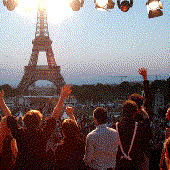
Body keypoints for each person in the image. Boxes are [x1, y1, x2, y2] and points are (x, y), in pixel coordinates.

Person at [0, 84, 72, 170]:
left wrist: (1, 100)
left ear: (24, 120)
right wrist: (62, 98)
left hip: (21, 166)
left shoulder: (19, 133)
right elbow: (55, 114)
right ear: (40, 122)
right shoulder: (43, 134)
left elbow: (8, 115)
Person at [116, 100, 150, 170]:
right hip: (135, 163)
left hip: (119, 163)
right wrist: (145, 116)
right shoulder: (140, 127)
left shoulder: (114, 127)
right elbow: (148, 136)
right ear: (135, 112)